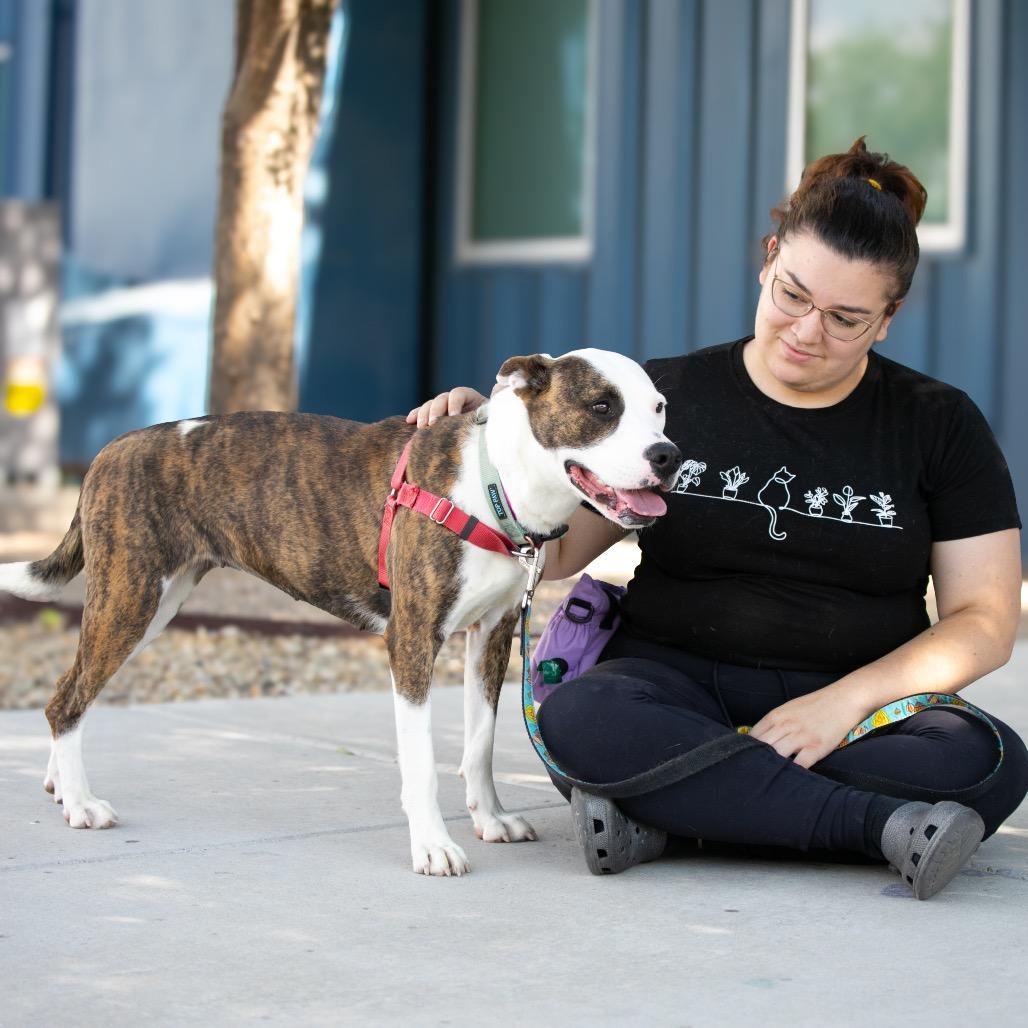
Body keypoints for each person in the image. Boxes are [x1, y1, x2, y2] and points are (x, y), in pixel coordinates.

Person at [407, 138, 1027, 899]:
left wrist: (840, 705)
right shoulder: (664, 398)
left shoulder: (939, 424)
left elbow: (984, 619)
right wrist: (491, 451)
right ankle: (875, 828)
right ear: (768, 259)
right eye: (792, 295)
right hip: (671, 685)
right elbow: (558, 549)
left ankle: (667, 813)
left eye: (846, 318)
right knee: (586, 719)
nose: (806, 331)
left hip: (858, 701)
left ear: (889, 319)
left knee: (985, 761)